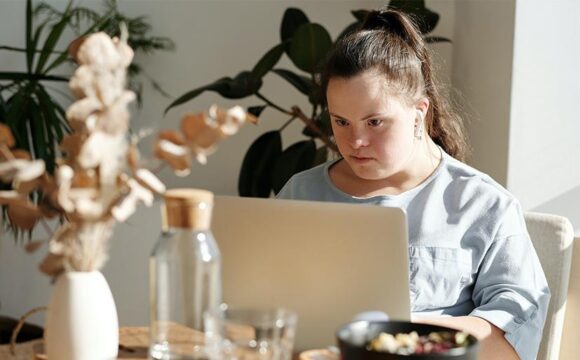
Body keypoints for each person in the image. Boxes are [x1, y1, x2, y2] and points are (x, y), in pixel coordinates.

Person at [276, 8, 550, 360]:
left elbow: (512, 337)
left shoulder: (484, 206)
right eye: (341, 122)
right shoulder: (300, 194)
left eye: (374, 122)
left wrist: (401, 333)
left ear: (418, 113)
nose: (355, 140)